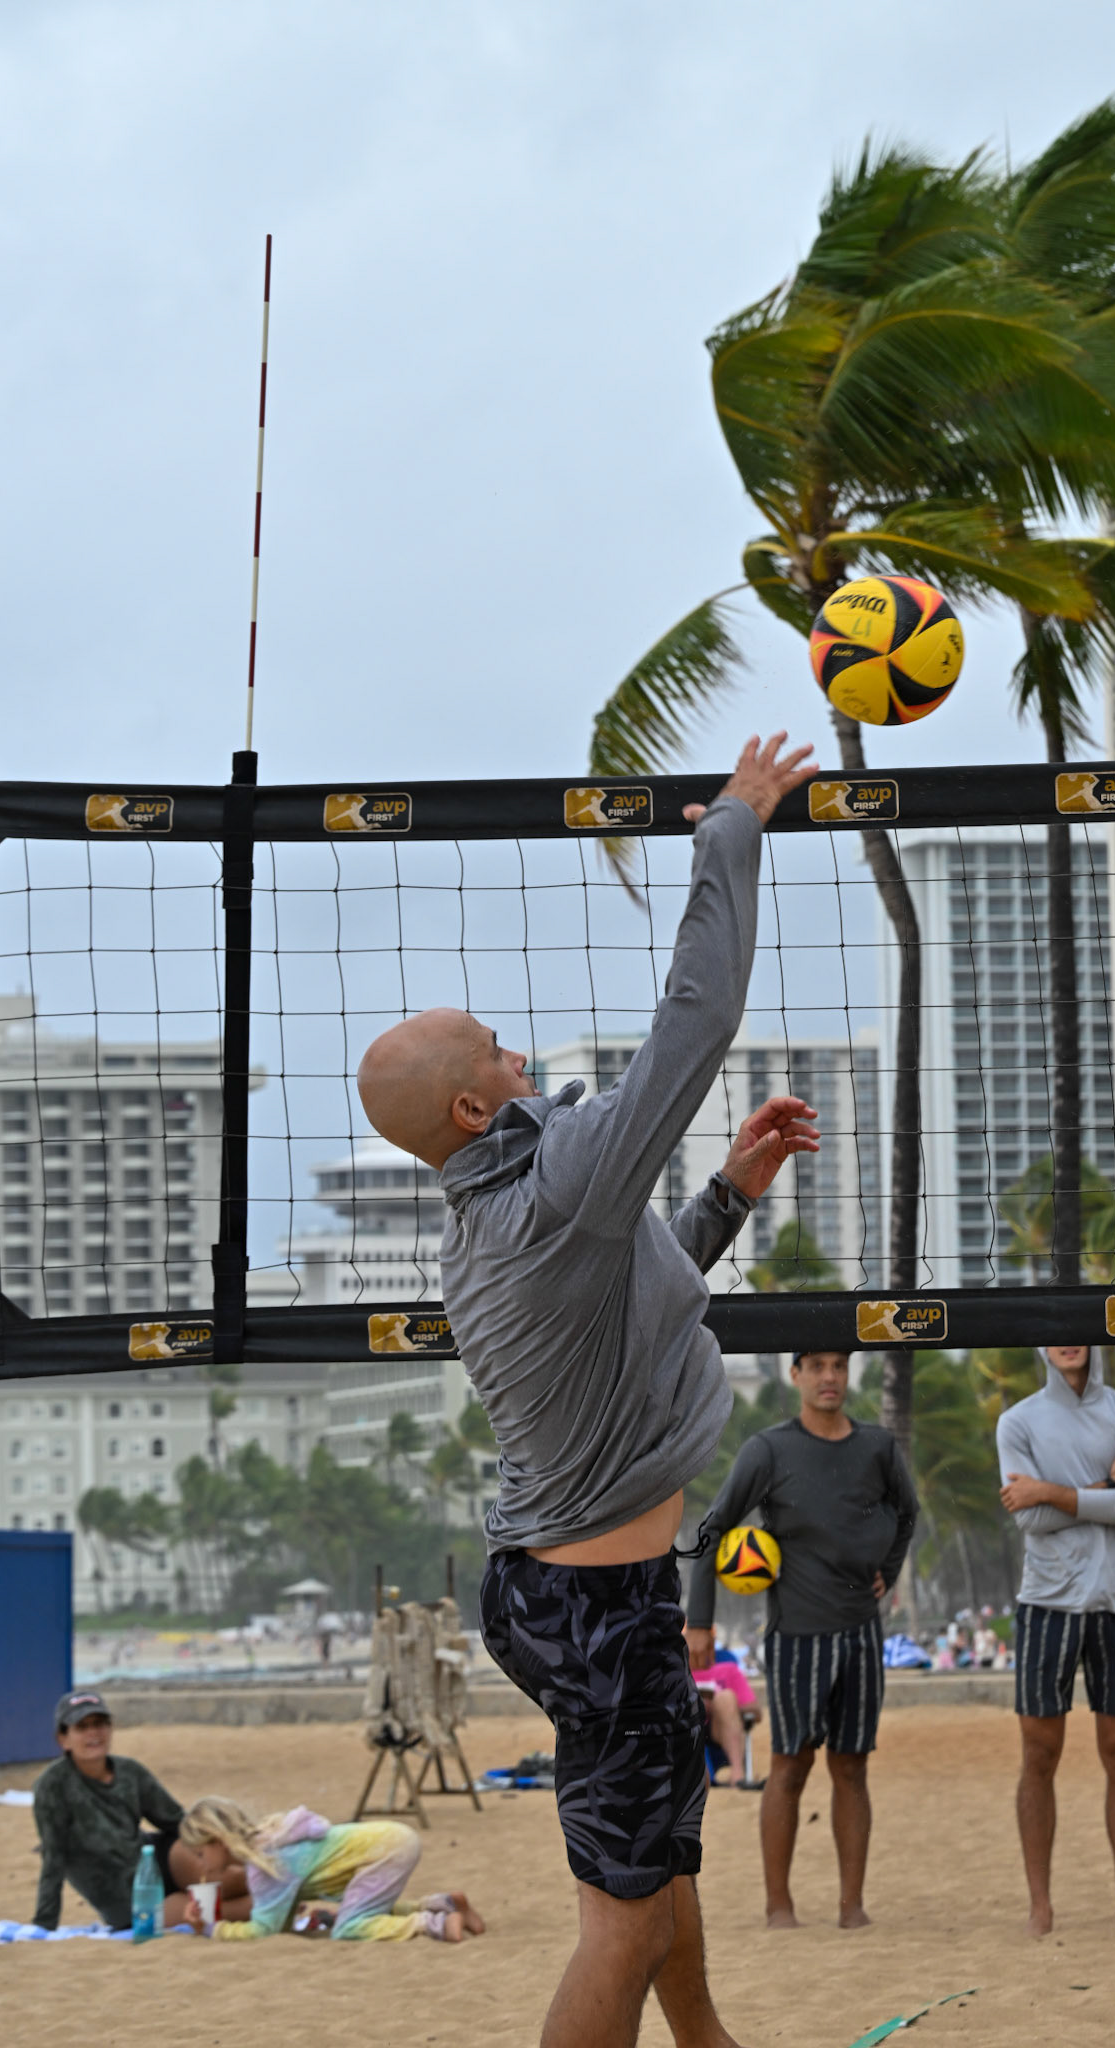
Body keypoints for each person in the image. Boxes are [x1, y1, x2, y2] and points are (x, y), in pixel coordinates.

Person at [358, 732, 821, 2048]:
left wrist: (725, 1196)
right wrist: (731, 828)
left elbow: (630, 1305)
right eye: (497, 1051)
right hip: (594, 1612)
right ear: (469, 1109)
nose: (520, 1057)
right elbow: (697, 1021)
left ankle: (709, 2042)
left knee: (663, 1870)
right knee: (619, 1926)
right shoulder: (554, 1187)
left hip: (583, 1592)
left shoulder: (504, 1216)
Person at [685, 1349, 917, 1931]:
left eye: (838, 1365)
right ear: (796, 1376)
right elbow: (712, 1530)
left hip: (862, 1632)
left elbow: (907, 1513)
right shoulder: (768, 1450)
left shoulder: (878, 1447)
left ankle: (851, 1906)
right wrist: (699, 1621)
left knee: (852, 1767)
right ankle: (778, 1906)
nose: (829, 1377)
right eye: (816, 1366)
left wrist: (888, 1569)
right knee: (790, 1764)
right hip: (796, 1635)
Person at [997, 1344, 1115, 1937]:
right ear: (1042, 1344)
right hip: (1046, 1601)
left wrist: (1051, 1490)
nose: (1068, 1341)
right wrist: (1104, 1485)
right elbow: (1028, 1518)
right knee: (1039, 1756)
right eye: (1057, 1333)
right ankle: (1040, 1905)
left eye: (1079, 1329)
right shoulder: (1017, 1421)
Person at [31, 1688, 247, 1931]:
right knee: (225, 1908)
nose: (93, 1732)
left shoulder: (130, 1771)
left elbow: (177, 1821)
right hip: (125, 1897)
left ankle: (273, 1870)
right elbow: (53, 1856)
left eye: (100, 1723)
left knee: (226, 1874)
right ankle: (274, 1900)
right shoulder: (52, 1786)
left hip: (153, 1858)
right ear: (63, 1739)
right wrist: (44, 1924)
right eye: (82, 1727)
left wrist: (218, 1845)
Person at [177, 1798, 483, 1942]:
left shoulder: (264, 1865)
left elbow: (262, 1930)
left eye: (200, 1854)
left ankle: (434, 1924)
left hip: (384, 1850)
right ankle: (445, 1904)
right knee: (365, 1908)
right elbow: (281, 1918)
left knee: (350, 1927)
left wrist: (210, 1929)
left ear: (218, 1841)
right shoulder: (271, 1838)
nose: (201, 1865)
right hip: (389, 1838)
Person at [691, 1649, 761, 1788]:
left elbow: (755, 1712)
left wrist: (714, 1702)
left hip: (718, 1728)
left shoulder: (728, 1669)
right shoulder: (673, 1670)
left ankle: (737, 1776)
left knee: (725, 1698)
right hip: (685, 1727)